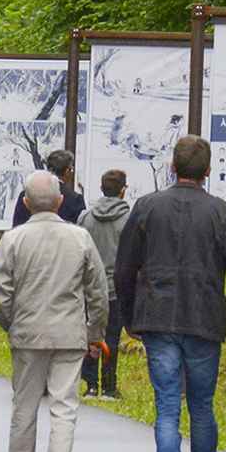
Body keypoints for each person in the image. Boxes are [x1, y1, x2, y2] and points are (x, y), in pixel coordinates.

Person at [114, 135, 226, 452]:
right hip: (204, 317)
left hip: (158, 318)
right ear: (208, 171)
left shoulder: (147, 208)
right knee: (201, 405)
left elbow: (125, 268)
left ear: (172, 168)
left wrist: (129, 317)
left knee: (166, 407)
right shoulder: (223, 213)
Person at [0, 171, 109, 452]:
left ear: (25, 203)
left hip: (27, 332)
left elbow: (0, 292)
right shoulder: (80, 238)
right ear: (59, 201)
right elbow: (98, 291)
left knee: (25, 403)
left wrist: (11, 323)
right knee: (64, 404)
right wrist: (94, 332)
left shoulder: (13, 239)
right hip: (70, 333)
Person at [75, 169, 130, 400]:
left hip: (89, 287)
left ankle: (90, 385)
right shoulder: (129, 219)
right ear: (123, 191)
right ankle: (109, 386)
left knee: (90, 333)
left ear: (101, 189)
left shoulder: (85, 217)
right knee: (112, 337)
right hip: (115, 287)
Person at [10, 148, 86, 227]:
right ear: (67, 171)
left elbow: (17, 227)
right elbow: (80, 230)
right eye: (72, 170)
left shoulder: (26, 194)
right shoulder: (75, 199)